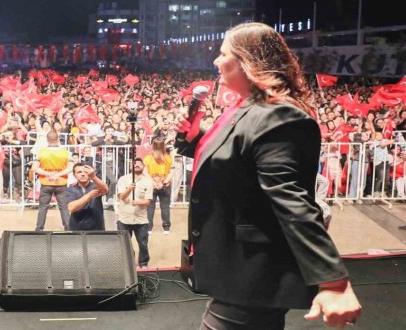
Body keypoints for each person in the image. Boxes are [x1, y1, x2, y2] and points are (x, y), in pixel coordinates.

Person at [175, 23, 361, 329]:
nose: (216, 61)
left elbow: (292, 202)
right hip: (238, 270)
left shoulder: (279, 116)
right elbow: (239, 158)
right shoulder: (246, 108)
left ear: (247, 62)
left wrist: (333, 282)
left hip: (254, 272)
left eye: (223, 54)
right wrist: (196, 137)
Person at [115, 158, 153, 268]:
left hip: (141, 220)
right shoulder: (123, 179)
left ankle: (143, 263)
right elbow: (122, 197)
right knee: (125, 244)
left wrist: (139, 202)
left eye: (140, 164)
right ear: (131, 166)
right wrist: (129, 189)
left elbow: (148, 201)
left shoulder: (148, 182)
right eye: (135, 163)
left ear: (143, 167)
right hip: (124, 219)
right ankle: (129, 263)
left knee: (143, 244)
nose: (137, 165)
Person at [33, 131, 73, 231]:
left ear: (47, 140)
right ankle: (68, 228)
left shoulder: (41, 152)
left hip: (46, 183)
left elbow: (35, 168)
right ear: (58, 139)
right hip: (61, 182)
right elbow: (70, 168)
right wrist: (58, 174)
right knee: (64, 207)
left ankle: (39, 229)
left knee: (43, 207)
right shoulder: (66, 152)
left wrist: (49, 174)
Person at [143, 137, 173, 234]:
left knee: (150, 207)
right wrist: (163, 183)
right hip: (165, 185)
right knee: (165, 207)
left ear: (153, 146)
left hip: (152, 186)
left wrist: (153, 182)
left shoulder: (148, 158)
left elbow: (145, 172)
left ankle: (149, 228)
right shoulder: (168, 158)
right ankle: (166, 228)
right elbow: (171, 172)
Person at [66, 163, 108, 230]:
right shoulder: (70, 189)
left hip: (97, 228)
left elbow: (105, 189)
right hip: (76, 229)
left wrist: (93, 177)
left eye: (86, 172)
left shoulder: (96, 186)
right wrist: (89, 195)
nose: (83, 174)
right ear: (74, 175)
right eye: (79, 172)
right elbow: (71, 207)